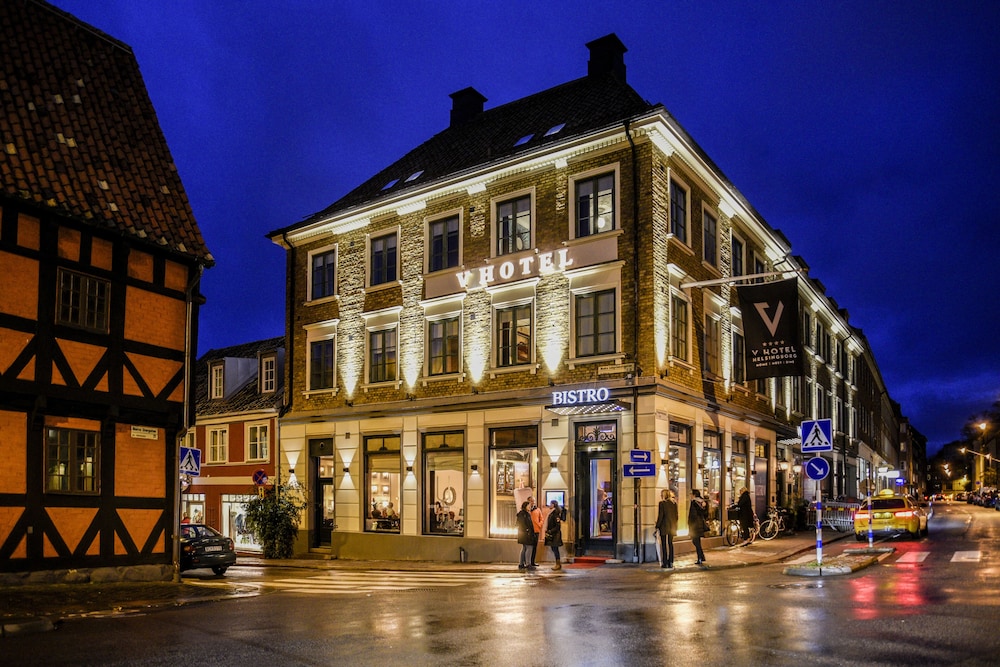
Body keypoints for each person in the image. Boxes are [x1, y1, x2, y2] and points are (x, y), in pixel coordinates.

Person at [655, 489, 678, 569]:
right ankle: (671, 561)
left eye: (662, 494)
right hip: (672, 527)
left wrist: (657, 526)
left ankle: (665, 562)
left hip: (664, 526)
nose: (661, 496)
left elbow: (661, 516)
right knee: (670, 544)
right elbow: (676, 516)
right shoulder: (674, 503)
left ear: (664, 495)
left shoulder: (662, 504)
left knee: (664, 545)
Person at [688, 489, 709, 567]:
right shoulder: (702, 502)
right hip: (700, 524)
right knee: (697, 541)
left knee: (695, 541)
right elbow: (706, 514)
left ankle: (700, 557)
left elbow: (692, 515)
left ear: (694, 495)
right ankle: (701, 557)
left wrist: (689, 523)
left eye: (691, 494)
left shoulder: (694, 503)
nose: (690, 495)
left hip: (695, 525)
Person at [544, 499, 566, 570]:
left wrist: (550, 531)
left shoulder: (555, 514)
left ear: (553, 505)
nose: (549, 505)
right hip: (553, 534)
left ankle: (558, 564)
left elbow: (557, 526)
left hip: (555, 535)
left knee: (555, 549)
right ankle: (557, 563)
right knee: (554, 549)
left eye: (550, 504)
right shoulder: (551, 513)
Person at [516, 501, 535, 570]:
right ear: (525, 506)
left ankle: (521, 564)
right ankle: (528, 564)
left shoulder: (525, 514)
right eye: (529, 506)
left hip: (525, 533)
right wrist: (527, 531)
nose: (530, 507)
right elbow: (522, 524)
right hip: (526, 534)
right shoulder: (523, 514)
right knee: (529, 548)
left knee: (524, 548)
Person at [528, 496, 543, 567]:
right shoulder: (527, 510)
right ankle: (527, 562)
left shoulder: (538, 510)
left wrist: (539, 525)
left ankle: (533, 561)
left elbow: (541, 519)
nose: (533, 502)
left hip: (536, 530)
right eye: (531, 501)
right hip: (528, 531)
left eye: (533, 501)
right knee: (528, 547)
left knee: (534, 547)